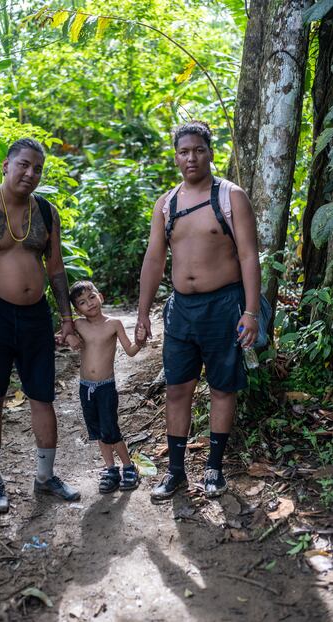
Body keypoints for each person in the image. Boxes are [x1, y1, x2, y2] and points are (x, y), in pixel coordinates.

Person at [0, 137, 80, 512]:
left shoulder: (45, 211)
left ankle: (46, 476)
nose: (30, 173)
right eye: (23, 165)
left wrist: (67, 320)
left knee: (43, 395)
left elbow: (56, 270)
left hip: (35, 314)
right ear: (6, 165)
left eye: (37, 168)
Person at [135, 120, 260, 500]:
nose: (191, 158)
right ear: (176, 157)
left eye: (198, 150)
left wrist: (250, 311)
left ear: (210, 152)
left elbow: (248, 255)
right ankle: (176, 473)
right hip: (181, 309)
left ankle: (215, 469)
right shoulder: (167, 203)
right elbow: (154, 260)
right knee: (178, 388)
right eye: (184, 152)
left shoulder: (230, 196)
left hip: (224, 305)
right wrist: (142, 313)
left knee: (222, 388)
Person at [66, 280, 145, 493]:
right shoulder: (78, 325)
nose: (89, 303)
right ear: (77, 309)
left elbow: (130, 350)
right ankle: (110, 469)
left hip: (106, 387)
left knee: (111, 429)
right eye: (82, 302)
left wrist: (140, 340)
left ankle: (128, 467)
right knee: (98, 431)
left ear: (100, 296)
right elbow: (65, 336)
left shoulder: (114, 323)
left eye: (92, 297)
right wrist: (67, 337)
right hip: (86, 388)